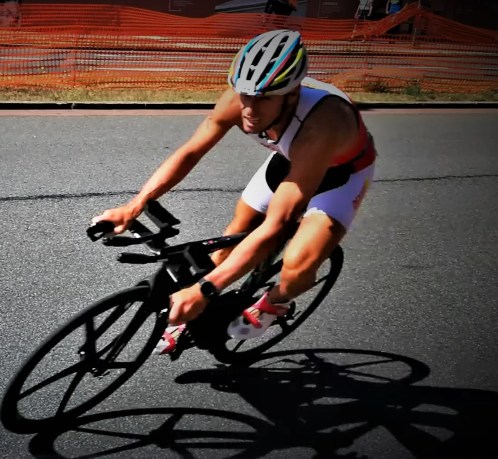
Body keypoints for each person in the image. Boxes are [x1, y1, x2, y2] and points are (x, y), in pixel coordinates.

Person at [92, 29, 377, 356]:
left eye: (264, 99)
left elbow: (276, 225)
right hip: (290, 160)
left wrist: (203, 289)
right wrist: (135, 205)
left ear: (292, 94)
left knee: (298, 265)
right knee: (232, 238)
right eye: (245, 96)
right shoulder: (239, 99)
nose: (250, 109)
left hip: (341, 175)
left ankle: (275, 302)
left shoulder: (322, 123)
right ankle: (201, 313)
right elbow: (191, 152)